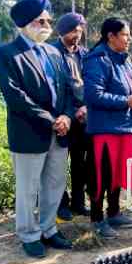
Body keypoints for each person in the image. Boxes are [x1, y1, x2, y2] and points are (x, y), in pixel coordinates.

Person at [0, 0, 76, 258]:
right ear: (25, 24)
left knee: (54, 183)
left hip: (59, 131)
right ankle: (29, 234)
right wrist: (50, 120)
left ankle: (49, 229)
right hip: (30, 132)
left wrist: (66, 116)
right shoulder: (7, 53)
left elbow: (66, 89)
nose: (46, 24)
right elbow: (15, 96)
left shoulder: (54, 51)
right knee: (28, 188)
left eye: (48, 20)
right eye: (40, 20)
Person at [82, 18, 132, 239]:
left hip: (126, 127)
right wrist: (125, 101)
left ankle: (114, 212)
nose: (129, 39)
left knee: (118, 172)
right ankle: (97, 218)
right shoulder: (97, 59)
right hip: (104, 130)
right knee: (102, 175)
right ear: (111, 36)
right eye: (125, 35)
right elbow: (93, 95)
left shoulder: (124, 60)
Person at [50, 12, 93, 221]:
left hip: (83, 117)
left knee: (81, 162)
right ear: (62, 30)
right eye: (73, 30)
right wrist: (69, 112)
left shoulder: (85, 54)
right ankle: (60, 204)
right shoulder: (51, 52)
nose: (77, 34)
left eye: (79, 30)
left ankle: (78, 202)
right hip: (62, 116)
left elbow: (92, 81)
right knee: (59, 164)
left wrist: (85, 106)